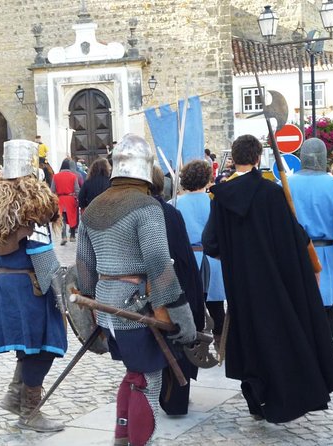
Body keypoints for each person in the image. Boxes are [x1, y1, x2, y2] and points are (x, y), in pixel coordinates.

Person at [202, 134, 333, 423]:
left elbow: (211, 244)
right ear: (257, 158)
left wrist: (235, 256)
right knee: (277, 337)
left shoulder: (220, 196)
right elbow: (292, 238)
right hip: (273, 282)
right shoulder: (272, 192)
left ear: (234, 158)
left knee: (248, 339)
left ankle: (254, 399)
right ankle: (281, 397)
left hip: (240, 284)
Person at [76, 134, 195, 446]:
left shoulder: (93, 208)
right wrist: (182, 314)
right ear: (146, 169)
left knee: (134, 374)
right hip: (137, 308)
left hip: (107, 309)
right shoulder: (146, 207)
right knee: (148, 380)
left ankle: (123, 437)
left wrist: (92, 307)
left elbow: (85, 266)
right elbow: (158, 261)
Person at [0, 139, 66, 433]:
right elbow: (41, 253)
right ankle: (30, 411)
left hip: (4, 284)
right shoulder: (33, 206)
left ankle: (15, 394)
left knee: (28, 344)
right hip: (30, 286)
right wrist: (60, 292)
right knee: (43, 347)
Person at [150, 166, 204, 417]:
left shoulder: (169, 213)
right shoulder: (169, 212)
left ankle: (174, 397)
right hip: (168, 282)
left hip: (168, 283)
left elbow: (179, 255)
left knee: (174, 339)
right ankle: (171, 397)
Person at [288, 138, 333, 335]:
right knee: (325, 307)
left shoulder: (286, 184)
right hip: (326, 253)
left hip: (295, 252)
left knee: (298, 307)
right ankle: (326, 352)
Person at [175, 160, 227, 349]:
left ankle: (194, 344)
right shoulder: (214, 203)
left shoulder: (176, 204)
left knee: (191, 305)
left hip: (189, 259)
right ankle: (221, 344)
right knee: (216, 306)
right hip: (213, 259)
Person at [51, 159, 80, 245]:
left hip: (60, 199)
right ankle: (72, 236)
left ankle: (63, 236)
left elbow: (52, 190)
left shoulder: (55, 176)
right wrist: (77, 198)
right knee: (72, 217)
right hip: (70, 199)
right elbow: (77, 189)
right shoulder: (73, 176)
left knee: (62, 218)